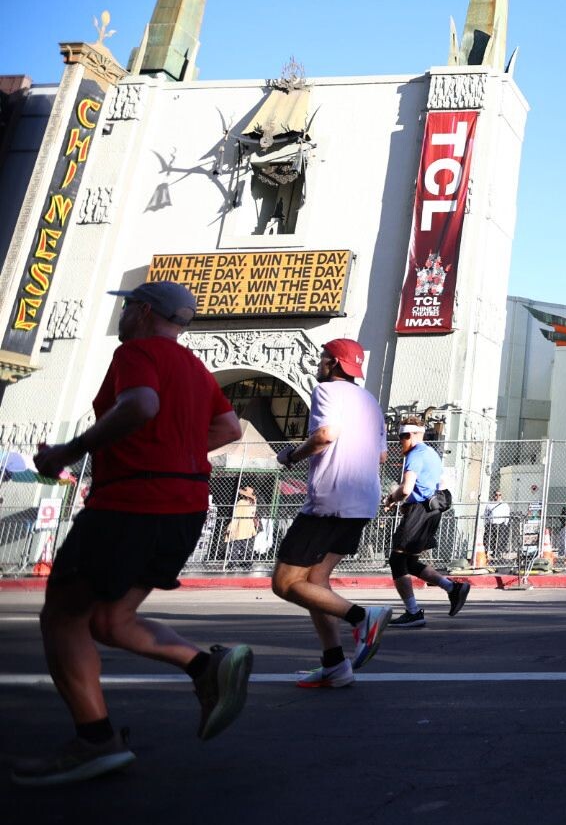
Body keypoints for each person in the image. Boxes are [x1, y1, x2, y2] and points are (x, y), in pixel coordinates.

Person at [15, 281, 253, 785]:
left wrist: (68, 452)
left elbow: (141, 405)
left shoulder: (137, 351)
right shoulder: (195, 367)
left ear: (143, 311)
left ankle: (95, 741)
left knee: (63, 617)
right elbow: (230, 429)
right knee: (109, 620)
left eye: (126, 306)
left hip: (130, 503)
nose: (122, 315)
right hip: (184, 506)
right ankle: (205, 667)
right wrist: (175, 452)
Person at [270, 338, 392, 689]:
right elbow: (382, 456)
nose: (319, 364)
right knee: (315, 582)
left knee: (285, 583)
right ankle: (335, 665)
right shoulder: (371, 402)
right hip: (363, 501)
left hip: (330, 501)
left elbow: (326, 435)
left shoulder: (326, 391)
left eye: (323, 358)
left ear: (333, 363)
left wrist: (292, 456)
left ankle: (362, 617)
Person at [385, 423, 470, 628]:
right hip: (432, 510)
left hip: (420, 512)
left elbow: (406, 489)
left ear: (414, 435)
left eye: (404, 437)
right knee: (411, 562)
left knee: (397, 560)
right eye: (400, 437)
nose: (401, 442)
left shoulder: (415, 455)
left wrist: (392, 498)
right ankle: (452, 589)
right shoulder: (432, 453)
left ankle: (413, 612)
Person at [224, 487, 259, 570]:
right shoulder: (253, 503)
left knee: (235, 545)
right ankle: (247, 562)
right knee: (246, 546)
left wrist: (230, 527)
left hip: (240, 526)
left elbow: (236, 515)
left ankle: (232, 563)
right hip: (249, 526)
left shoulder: (241, 502)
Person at [484, 491, 512, 560]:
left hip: (501, 524)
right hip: (492, 524)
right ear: (494, 496)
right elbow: (486, 514)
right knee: (491, 538)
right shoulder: (490, 504)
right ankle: (491, 551)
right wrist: (486, 523)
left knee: (499, 539)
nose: (498, 496)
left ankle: (497, 553)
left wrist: (505, 523)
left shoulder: (504, 505)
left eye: (499, 495)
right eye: (496, 495)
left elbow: (507, 514)